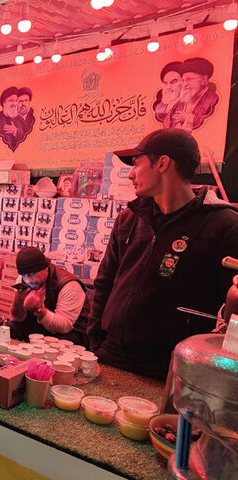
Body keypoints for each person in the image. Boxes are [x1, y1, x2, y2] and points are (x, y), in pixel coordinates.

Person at [88, 128, 238, 380]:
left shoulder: (225, 226)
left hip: (170, 368)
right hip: (111, 354)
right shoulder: (128, 219)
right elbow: (104, 283)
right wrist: (95, 341)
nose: (131, 174)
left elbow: (231, 315)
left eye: (136, 163)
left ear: (162, 163)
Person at [7, 247, 90, 346]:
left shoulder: (69, 285)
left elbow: (65, 326)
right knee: (11, 328)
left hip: (72, 330)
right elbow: (18, 319)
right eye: (24, 275)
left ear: (46, 268)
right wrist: (18, 302)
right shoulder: (23, 280)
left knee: (58, 344)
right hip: (44, 325)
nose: (28, 280)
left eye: (32, 274)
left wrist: (40, 311)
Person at [167, 58, 219, 132]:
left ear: (203, 80)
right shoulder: (181, 101)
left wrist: (190, 118)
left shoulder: (212, 99)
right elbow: (168, 123)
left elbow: (214, 123)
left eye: (189, 80)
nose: (184, 84)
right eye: (182, 80)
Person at [0, 86, 23, 152]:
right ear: (4, 103)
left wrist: (16, 131)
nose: (15, 104)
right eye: (11, 101)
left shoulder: (19, 119)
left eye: (16, 101)